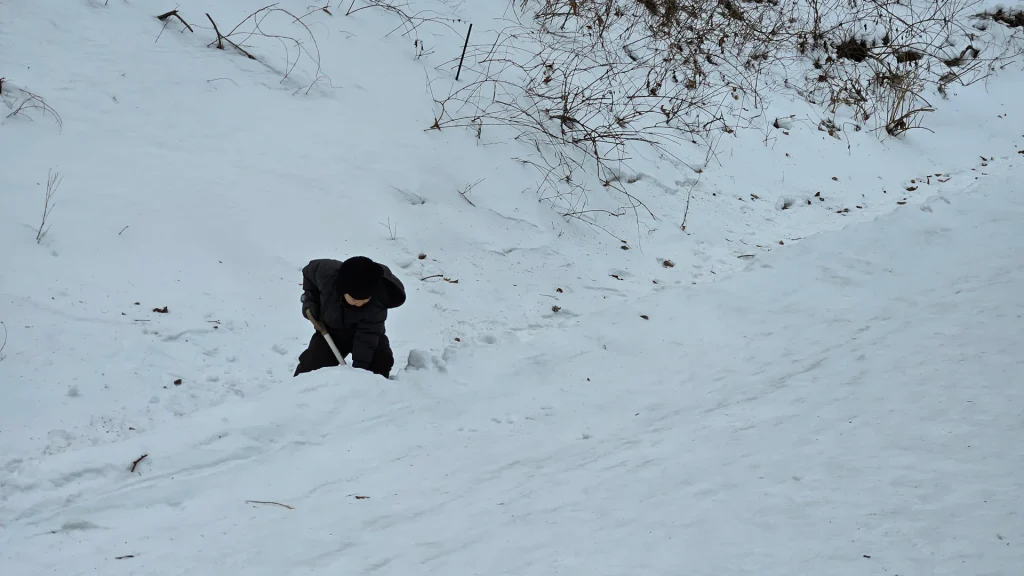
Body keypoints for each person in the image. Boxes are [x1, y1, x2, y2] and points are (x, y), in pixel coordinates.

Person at [293, 256, 406, 379]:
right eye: (354, 300)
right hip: (331, 330)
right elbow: (308, 273)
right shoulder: (326, 274)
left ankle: (374, 394)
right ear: (343, 291)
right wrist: (311, 300)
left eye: (365, 300)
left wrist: (359, 374)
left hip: (367, 333)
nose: (360, 303)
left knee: (380, 362)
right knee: (311, 365)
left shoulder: (378, 301)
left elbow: (367, 336)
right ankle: (298, 395)